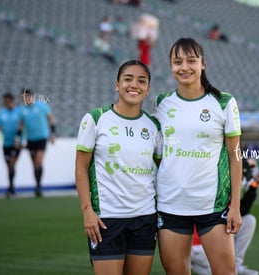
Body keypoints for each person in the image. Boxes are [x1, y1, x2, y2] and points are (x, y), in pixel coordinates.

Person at [153, 37, 243, 275]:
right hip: (171, 205)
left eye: (191, 61)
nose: (184, 67)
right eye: (177, 61)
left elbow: (235, 156)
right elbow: (160, 156)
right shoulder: (162, 103)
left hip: (212, 207)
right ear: (171, 66)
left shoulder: (224, 102)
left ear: (202, 64)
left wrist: (235, 205)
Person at [75, 60, 161, 275]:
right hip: (106, 220)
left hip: (145, 218)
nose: (134, 85)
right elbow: (81, 168)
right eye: (128, 79)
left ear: (148, 88)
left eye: (142, 81)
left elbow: (164, 169)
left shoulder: (153, 126)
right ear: (117, 85)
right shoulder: (96, 119)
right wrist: (87, 211)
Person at [191, 159, 259, 275]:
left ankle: (234, 265)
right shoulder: (220, 181)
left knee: (248, 220)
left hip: (199, 243)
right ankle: (229, 267)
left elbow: (241, 212)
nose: (243, 176)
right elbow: (230, 161)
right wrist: (245, 165)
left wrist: (254, 184)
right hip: (200, 245)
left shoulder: (217, 180)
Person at [18, 88, 55, 197]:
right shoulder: (22, 110)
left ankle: (38, 186)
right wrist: (18, 138)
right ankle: (37, 185)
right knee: (34, 164)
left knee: (39, 160)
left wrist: (52, 134)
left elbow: (51, 118)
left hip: (41, 138)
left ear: (31, 96)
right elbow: (20, 125)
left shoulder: (41, 106)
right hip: (30, 139)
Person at [0, 93, 21, 198]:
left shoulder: (19, 112)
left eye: (6, 101)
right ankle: (11, 187)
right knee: (8, 166)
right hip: (6, 143)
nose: (5, 103)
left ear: (11, 100)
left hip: (15, 144)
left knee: (12, 164)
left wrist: (18, 138)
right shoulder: (2, 112)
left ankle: (11, 188)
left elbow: (22, 125)